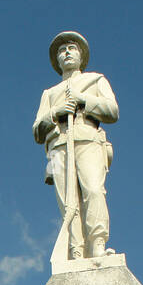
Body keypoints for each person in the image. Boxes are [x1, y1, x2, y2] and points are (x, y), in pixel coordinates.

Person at [33, 31, 118, 260]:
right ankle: (76, 251)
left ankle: (97, 244)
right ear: (57, 60)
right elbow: (37, 130)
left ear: (81, 55)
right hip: (58, 146)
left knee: (93, 190)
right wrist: (55, 113)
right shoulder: (49, 93)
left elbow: (112, 111)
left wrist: (83, 100)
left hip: (87, 138)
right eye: (62, 50)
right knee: (68, 204)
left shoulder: (95, 80)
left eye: (72, 48)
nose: (67, 53)